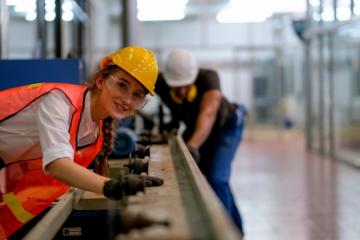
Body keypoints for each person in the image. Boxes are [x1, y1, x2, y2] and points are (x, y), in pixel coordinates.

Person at [0, 46, 162, 238]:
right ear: (101, 81)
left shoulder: (94, 135)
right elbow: (57, 165)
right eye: (122, 85)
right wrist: (112, 186)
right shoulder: (59, 101)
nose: (127, 99)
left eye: (137, 95)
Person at [156, 48, 247, 235]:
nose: (181, 91)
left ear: (194, 75)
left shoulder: (208, 78)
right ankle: (237, 230)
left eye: (186, 85)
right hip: (197, 126)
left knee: (216, 177)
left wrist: (193, 146)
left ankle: (226, 234)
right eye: (176, 86)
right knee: (213, 178)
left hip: (226, 126)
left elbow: (208, 113)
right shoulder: (160, 83)